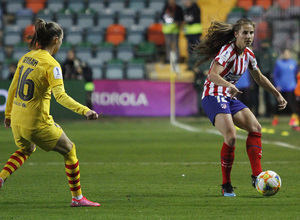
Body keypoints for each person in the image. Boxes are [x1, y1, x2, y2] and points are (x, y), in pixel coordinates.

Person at [0, 19, 100, 207]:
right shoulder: (52, 65)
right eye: (61, 40)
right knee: (70, 149)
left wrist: (7, 115)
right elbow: (60, 97)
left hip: (17, 119)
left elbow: (13, 87)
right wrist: (85, 110)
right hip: (35, 123)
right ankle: (78, 198)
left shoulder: (26, 57)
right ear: (55, 40)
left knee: (26, 149)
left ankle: (1, 178)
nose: (61, 43)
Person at [194, 18, 287, 197]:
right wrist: (228, 85)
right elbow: (212, 75)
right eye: (245, 33)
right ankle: (226, 185)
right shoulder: (227, 51)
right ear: (236, 34)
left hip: (229, 96)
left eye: (251, 33)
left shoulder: (249, 55)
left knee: (256, 128)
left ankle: (257, 175)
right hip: (213, 95)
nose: (249, 36)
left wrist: (277, 94)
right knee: (231, 137)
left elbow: (259, 77)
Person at [271, 49, 298, 127]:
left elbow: (296, 74)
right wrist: (277, 85)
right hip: (281, 87)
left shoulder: (293, 63)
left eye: (287, 53)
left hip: (291, 86)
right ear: (283, 54)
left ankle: (294, 118)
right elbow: (275, 75)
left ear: (289, 54)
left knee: (290, 102)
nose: (286, 55)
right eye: (285, 53)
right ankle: (275, 118)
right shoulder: (279, 63)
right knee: (279, 103)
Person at [182, 0, 202, 69]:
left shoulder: (196, 8)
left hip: (196, 33)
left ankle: (198, 65)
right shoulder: (186, 10)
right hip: (189, 33)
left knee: (196, 50)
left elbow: (193, 19)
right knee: (189, 50)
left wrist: (186, 21)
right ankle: (191, 65)